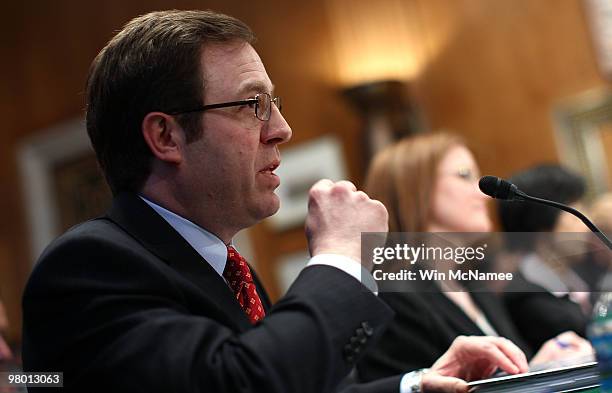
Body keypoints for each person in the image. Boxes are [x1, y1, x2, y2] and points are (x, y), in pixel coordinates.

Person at [21, 11, 529, 393]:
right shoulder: (90, 266)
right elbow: (242, 384)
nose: (281, 130)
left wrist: (416, 384)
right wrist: (338, 257)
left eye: (274, 104)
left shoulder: (225, 268)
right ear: (166, 136)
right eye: (253, 105)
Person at [357, 133, 591, 382]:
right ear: (414, 188)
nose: (483, 194)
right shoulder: (392, 297)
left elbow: (507, 378)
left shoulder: (475, 286)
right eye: (464, 175)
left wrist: (547, 365)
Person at [498, 164, 592, 351]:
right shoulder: (529, 300)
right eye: (575, 216)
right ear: (542, 224)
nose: (587, 225)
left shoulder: (575, 277)